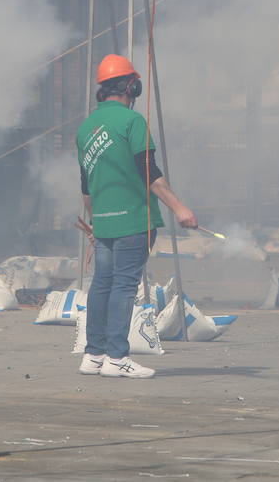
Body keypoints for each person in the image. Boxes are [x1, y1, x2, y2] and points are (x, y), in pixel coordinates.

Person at [75, 54, 197, 379]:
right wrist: (180, 208)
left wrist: (96, 222)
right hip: (133, 218)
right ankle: (117, 358)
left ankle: (93, 354)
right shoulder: (133, 122)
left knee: (102, 284)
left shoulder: (87, 126)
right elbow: (150, 173)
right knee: (124, 286)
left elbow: (86, 185)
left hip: (103, 218)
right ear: (133, 86)